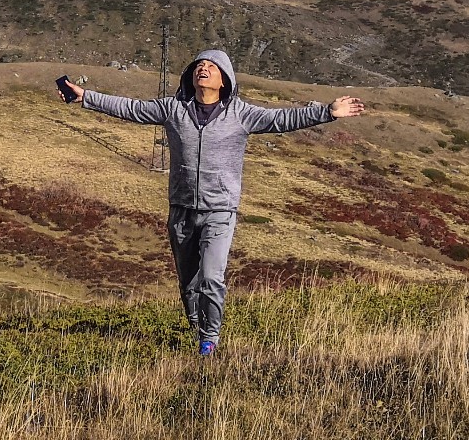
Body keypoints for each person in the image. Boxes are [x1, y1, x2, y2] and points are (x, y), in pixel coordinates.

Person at [57, 48, 365, 355]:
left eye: (210, 66)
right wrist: (85, 96)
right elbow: (129, 108)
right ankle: (195, 325)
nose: (202, 69)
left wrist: (327, 112)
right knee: (188, 283)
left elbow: (282, 118)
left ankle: (209, 342)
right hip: (181, 210)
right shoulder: (172, 110)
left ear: (224, 80)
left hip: (220, 211)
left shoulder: (241, 115)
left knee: (210, 277)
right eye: (198, 66)